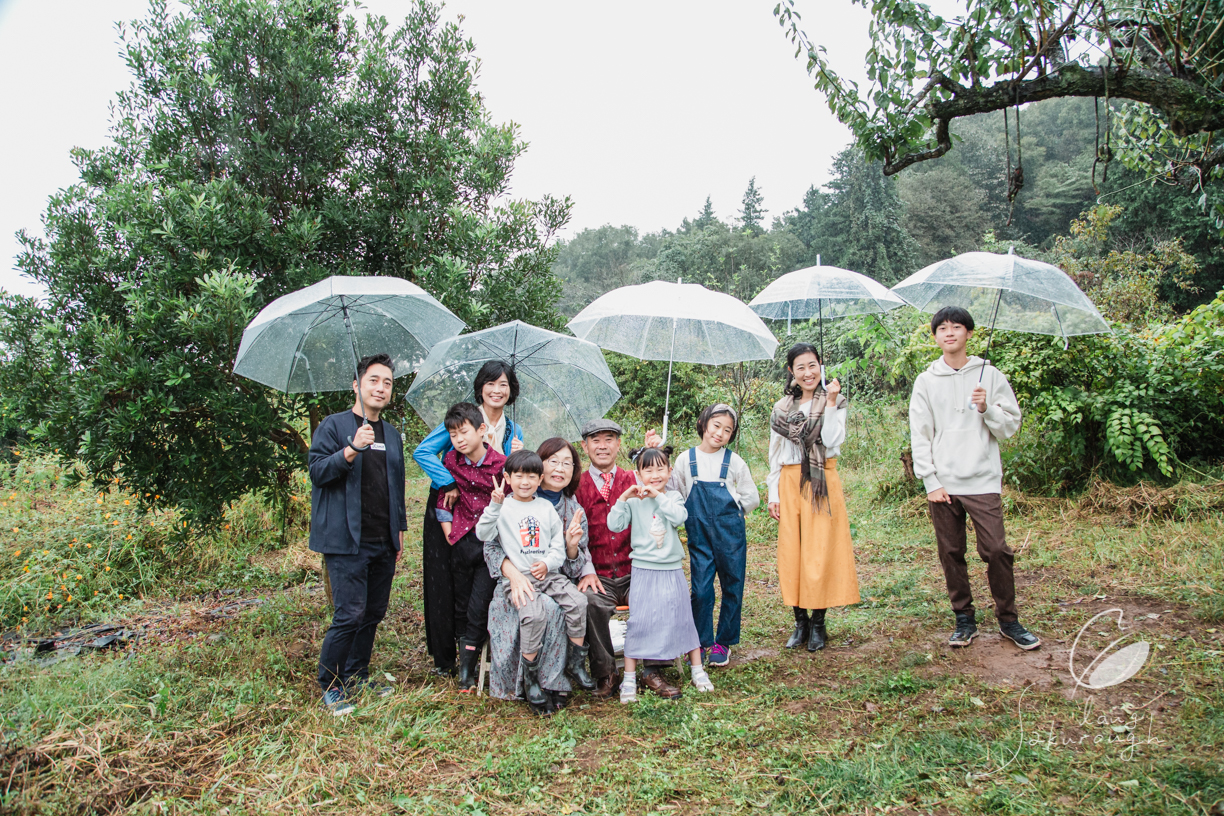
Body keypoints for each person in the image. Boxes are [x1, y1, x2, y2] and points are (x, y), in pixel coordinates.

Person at [909, 306, 1040, 650]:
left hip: (982, 478)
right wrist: (931, 481)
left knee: (996, 550)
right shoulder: (926, 380)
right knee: (951, 552)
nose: (949, 333)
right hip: (944, 483)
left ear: (969, 333)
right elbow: (920, 435)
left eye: (956, 327)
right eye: (942, 328)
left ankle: (1009, 620)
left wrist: (987, 408)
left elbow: (1010, 426)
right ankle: (964, 620)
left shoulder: (990, 375)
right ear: (935, 337)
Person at [308, 353, 406, 716]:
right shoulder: (334, 427)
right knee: (349, 612)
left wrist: (399, 533)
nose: (381, 388)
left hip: (384, 539)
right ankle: (331, 685)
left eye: (387, 383)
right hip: (345, 539)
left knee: (374, 611)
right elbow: (317, 472)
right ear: (357, 385)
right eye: (374, 380)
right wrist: (351, 449)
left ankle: (357, 674)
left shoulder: (392, 434)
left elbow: (396, 485)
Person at [413, 361, 524, 675]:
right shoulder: (464, 419)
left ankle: (488, 648)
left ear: (511, 390)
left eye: (504, 384)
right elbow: (423, 452)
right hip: (451, 507)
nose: (497, 390)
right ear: (481, 388)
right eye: (491, 384)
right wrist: (447, 481)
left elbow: (511, 472)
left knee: (486, 583)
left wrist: (519, 453)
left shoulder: (514, 429)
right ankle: (447, 656)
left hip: (490, 517)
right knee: (445, 583)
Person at [476, 450, 596, 711]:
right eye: (518, 476)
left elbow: (558, 548)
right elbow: (484, 536)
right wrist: (494, 506)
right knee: (537, 613)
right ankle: (531, 680)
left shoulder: (551, 508)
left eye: (531, 477)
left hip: (548, 575)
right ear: (507, 477)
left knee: (577, 602)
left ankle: (575, 664)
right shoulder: (503, 506)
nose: (525, 482)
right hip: (518, 579)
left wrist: (550, 562)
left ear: (539, 478)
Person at [575, 419, 679, 699]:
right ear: (585, 447)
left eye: (609, 439)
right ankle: (606, 672)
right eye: (595, 440)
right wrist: (586, 570)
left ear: (619, 444)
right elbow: (575, 533)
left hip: (637, 570)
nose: (602, 446)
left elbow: (669, 487)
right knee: (589, 602)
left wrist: (659, 455)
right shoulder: (578, 485)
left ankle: (652, 669)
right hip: (598, 574)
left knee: (656, 595)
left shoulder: (636, 478)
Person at [767, 342, 859, 652]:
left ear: (821, 365)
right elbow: (775, 454)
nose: (807, 373)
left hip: (822, 481)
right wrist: (772, 493)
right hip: (790, 481)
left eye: (812, 365)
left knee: (819, 552)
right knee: (793, 551)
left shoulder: (835, 400)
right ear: (791, 372)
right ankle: (800, 621)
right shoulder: (781, 409)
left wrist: (831, 401)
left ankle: (818, 622)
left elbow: (832, 440)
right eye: (800, 367)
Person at [609, 445, 713, 703]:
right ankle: (630, 680)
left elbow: (679, 518)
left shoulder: (673, 497)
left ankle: (697, 670)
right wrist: (623, 498)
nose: (654, 475)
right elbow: (615, 524)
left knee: (682, 617)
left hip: (671, 569)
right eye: (648, 470)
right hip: (643, 570)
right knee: (640, 621)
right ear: (638, 474)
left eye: (660, 469)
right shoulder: (633, 500)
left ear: (669, 471)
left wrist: (658, 495)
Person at [667, 404, 759, 667]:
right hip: (699, 534)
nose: (720, 433)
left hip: (730, 533)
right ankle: (700, 640)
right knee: (701, 589)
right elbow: (677, 492)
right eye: (716, 425)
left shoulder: (734, 461)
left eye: (727, 430)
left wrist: (732, 511)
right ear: (704, 423)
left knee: (733, 584)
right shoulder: (686, 459)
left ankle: (723, 642)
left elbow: (752, 498)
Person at [432, 402, 506, 691]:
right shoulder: (450, 462)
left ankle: (469, 671)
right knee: (461, 604)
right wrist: (451, 534)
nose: (459, 440)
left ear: (481, 430)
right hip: (461, 543)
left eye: (463, 432)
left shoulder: (500, 465)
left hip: (490, 545)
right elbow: (442, 502)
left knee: (478, 605)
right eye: (453, 435)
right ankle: (466, 668)